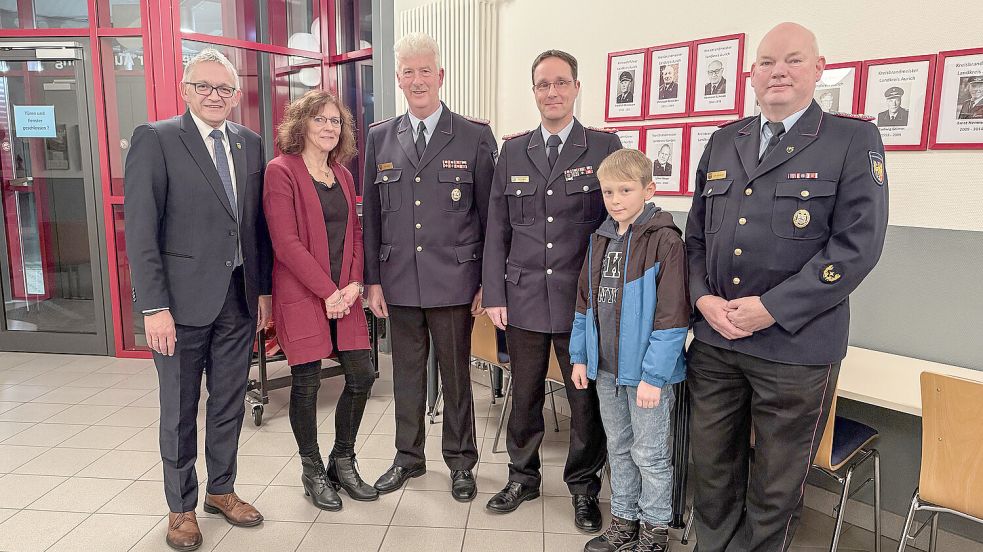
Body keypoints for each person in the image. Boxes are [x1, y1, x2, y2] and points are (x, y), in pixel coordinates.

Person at [685, 22, 888, 551]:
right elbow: (695, 239)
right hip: (717, 340)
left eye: (793, 60)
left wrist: (772, 308)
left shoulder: (851, 140)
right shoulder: (724, 140)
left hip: (795, 348)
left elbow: (856, 248)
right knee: (711, 472)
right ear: (751, 74)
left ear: (818, 70)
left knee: (775, 487)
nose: (778, 71)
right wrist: (702, 298)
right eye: (767, 62)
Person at [124, 48, 272, 551]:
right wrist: (153, 307)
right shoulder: (157, 138)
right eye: (204, 86)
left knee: (229, 402)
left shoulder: (250, 143)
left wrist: (263, 291)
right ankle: (181, 507)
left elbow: (255, 227)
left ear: (236, 95)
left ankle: (221, 490)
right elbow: (141, 232)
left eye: (224, 88)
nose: (214, 95)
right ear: (185, 90)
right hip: (178, 306)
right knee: (180, 409)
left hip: (238, 299)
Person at [482, 49, 622, 531]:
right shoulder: (513, 151)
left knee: (584, 401)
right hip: (522, 297)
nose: (552, 92)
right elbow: (498, 227)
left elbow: (617, 227)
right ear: (534, 92)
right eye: (543, 84)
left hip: (580, 303)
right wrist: (494, 293)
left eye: (561, 82)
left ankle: (584, 488)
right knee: (523, 394)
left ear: (577, 87)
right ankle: (522, 477)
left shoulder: (603, 146)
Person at [361, 32, 497, 502]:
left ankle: (461, 462)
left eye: (425, 71)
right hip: (398, 281)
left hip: (456, 280)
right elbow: (371, 216)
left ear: (440, 76)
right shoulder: (380, 136)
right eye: (408, 72)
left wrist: (487, 283)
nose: (417, 80)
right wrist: (372, 281)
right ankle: (408, 457)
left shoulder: (474, 135)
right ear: (397, 79)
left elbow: (491, 217)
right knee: (406, 375)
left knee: (457, 376)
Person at [263, 90, 378, 512]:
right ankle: (311, 470)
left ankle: (341, 461)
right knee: (307, 383)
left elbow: (356, 235)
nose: (329, 127)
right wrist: (328, 291)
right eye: (320, 119)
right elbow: (285, 243)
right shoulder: (281, 171)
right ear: (301, 124)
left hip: (344, 296)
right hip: (303, 294)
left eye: (335, 121)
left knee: (362, 375)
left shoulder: (342, 175)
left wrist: (353, 285)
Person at [569, 148, 689, 552]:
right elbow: (584, 304)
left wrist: (654, 377)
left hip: (646, 376)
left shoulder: (665, 241)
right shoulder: (600, 239)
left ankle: (654, 532)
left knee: (650, 455)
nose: (615, 200)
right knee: (618, 449)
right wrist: (580, 356)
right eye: (608, 192)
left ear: (648, 190)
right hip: (606, 370)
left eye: (625, 190)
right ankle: (624, 521)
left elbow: (672, 318)